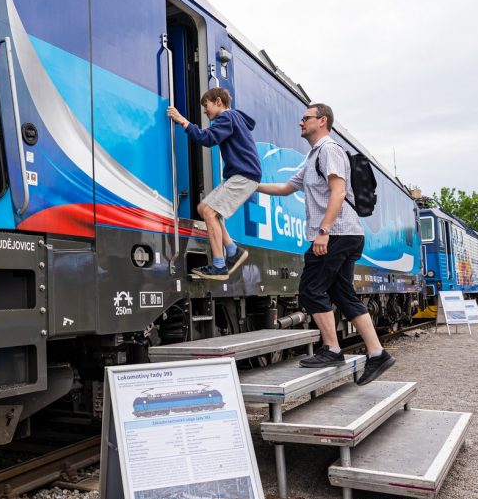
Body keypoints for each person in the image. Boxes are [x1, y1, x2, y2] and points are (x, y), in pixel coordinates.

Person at [254, 103, 395, 386]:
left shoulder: (329, 150)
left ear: (322, 121)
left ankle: (332, 350)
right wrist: (251, 186)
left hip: (337, 233)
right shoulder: (313, 157)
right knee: (342, 294)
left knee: (311, 290)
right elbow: (285, 188)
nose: (300, 122)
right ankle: (377, 353)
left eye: (305, 118)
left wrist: (323, 231)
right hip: (345, 233)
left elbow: (338, 191)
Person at [167, 87, 260, 281]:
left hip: (243, 175)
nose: (204, 110)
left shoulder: (227, 117)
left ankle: (219, 265)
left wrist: (182, 120)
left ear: (218, 101)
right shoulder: (234, 118)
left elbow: (206, 138)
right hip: (242, 175)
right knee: (204, 208)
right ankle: (233, 251)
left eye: (206, 105)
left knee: (209, 212)